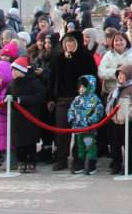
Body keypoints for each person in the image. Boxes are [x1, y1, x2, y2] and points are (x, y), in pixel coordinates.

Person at [49, 31, 97, 172]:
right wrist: (51, 97)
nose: (69, 44)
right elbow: (52, 79)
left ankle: (78, 159)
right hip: (62, 99)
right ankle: (61, 158)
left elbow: (92, 79)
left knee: (79, 131)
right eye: (67, 42)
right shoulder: (58, 58)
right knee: (61, 130)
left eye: (72, 42)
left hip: (80, 99)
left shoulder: (86, 58)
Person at [68, 74, 103, 175]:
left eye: (84, 87)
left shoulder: (94, 99)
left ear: (90, 87)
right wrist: (71, 117)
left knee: (90, 146)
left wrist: (91, 120)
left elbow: (99, 111)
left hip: (89, 129)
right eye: (80, 87)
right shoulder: (77, 99)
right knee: (79, 146)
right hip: (77, 128)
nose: (81, 89)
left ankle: (91, 165)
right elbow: (71, 109)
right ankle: (79, 164)